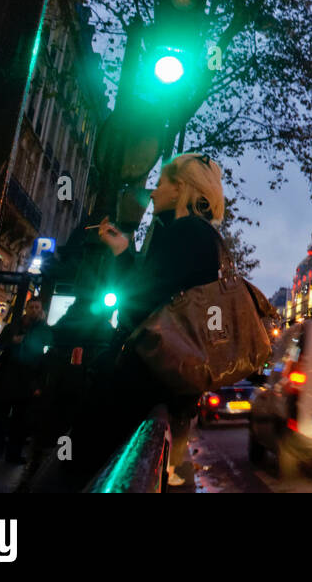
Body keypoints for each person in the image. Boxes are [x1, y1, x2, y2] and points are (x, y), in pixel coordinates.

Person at [70, 152, 228, 488]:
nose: (153, 193)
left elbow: (139, 309)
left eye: (160, 184)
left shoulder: (183, 234)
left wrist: (122, 254)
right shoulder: (203, 237)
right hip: (169, 387)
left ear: (181, 188)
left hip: (142, 384)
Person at [0, 299, 50, 465]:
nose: (34, 310)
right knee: (3, 420)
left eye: (37, 307)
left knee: (18, 421)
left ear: (40, 310)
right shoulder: (15, 328)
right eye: (31, 307)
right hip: (11, 378)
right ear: (26, 309)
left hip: (24, 380)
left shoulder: (41, 330)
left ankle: (7, 455)